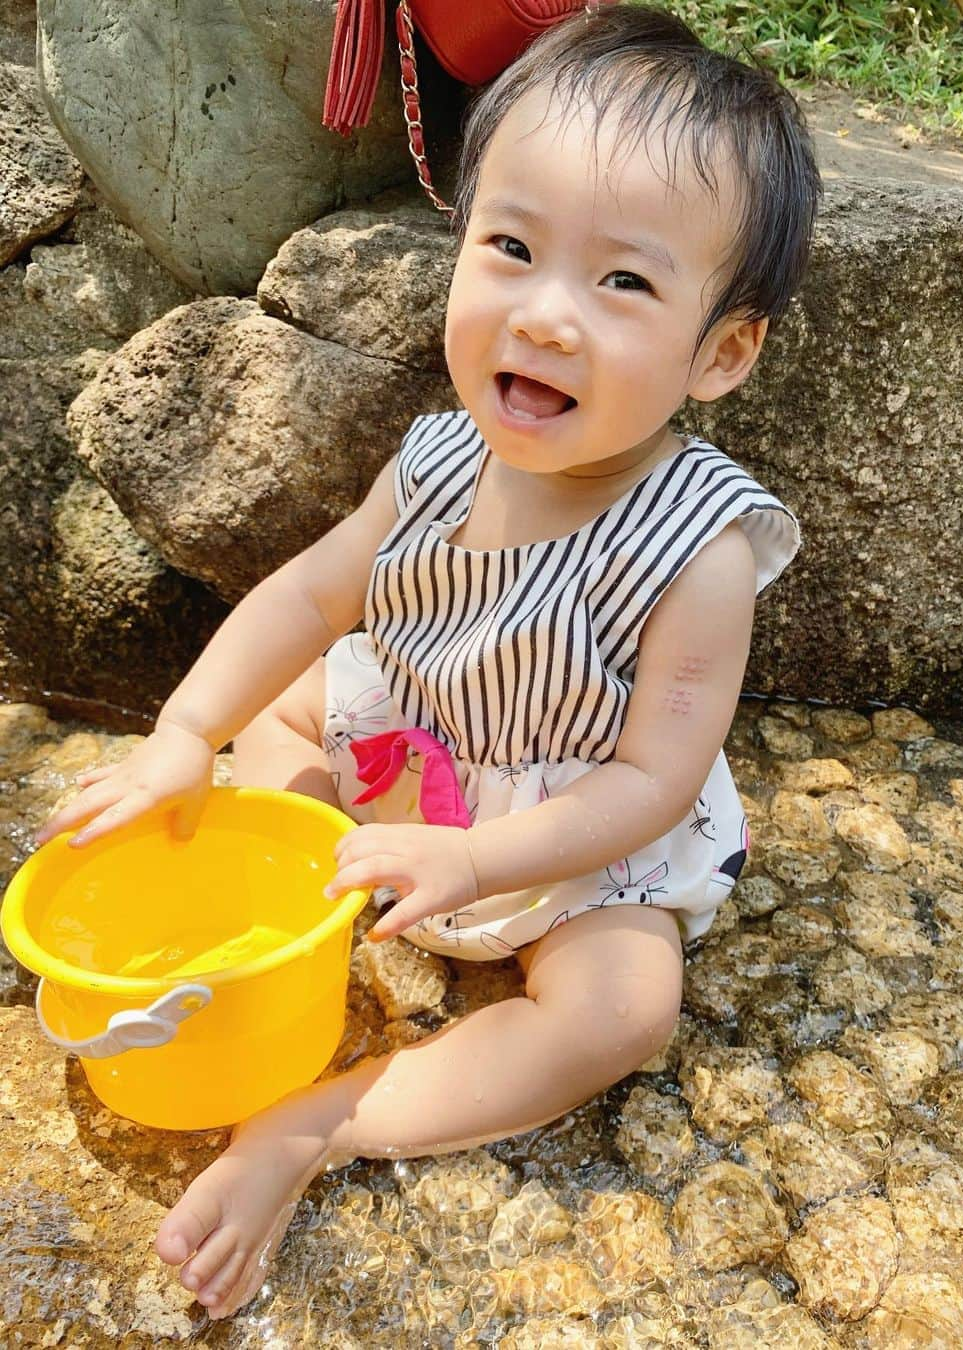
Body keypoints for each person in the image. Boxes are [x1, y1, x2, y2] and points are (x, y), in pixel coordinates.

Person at [37, 2, 820, 1318]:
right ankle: (280, 922)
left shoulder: (702, 549)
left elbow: (651, 777)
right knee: (283, 710)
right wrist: (185, 730)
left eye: (623, 282)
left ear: (722, 351)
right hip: (421, 745)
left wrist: (475, 861)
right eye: (511, 247)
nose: (547, 314)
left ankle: (321, 1120)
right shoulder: (438, 455)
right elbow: (307, 595)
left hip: (566, 824)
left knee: (627, 1005)